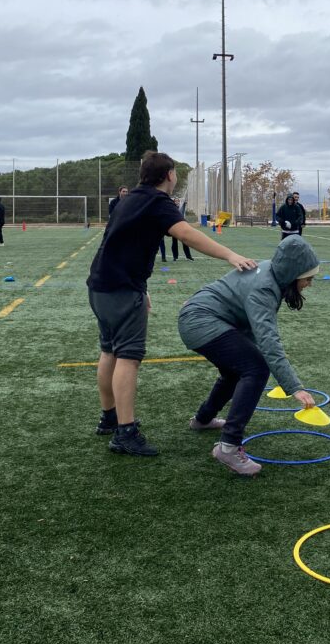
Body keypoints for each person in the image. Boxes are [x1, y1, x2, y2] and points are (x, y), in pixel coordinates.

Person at [87, 151, 257, 457]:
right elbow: (186, 234)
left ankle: (109, 418)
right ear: (169, 175)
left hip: (101, 287)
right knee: (128, 357)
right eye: (175, 172)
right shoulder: (157, 201)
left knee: (109, 350)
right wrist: (230, 255)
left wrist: (141, 287)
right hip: (121, 290)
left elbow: (117, 244)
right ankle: (125, 432)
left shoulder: (130, 199)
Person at [178, 235, 319, 476]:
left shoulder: (270, 271)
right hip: (202, 321)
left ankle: (203, 419)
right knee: (256, 368)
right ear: (292, 274)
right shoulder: (264, 289)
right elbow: (268, 342)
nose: (309, 284)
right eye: (308, 278)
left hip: (200, 317)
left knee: (236, 370)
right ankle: (229, 447)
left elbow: (252, 329)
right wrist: (294, 387)